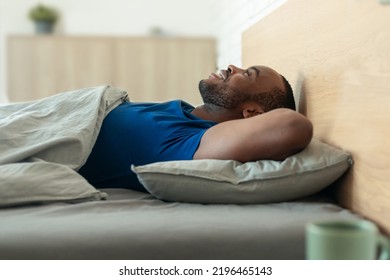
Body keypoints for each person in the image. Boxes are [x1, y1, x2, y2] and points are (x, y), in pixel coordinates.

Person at [78, 65, 313, 192]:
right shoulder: (183, 112)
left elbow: (292, 126)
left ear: (251, 114)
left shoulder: (189, 141)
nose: (232, 67)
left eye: (247, 74)